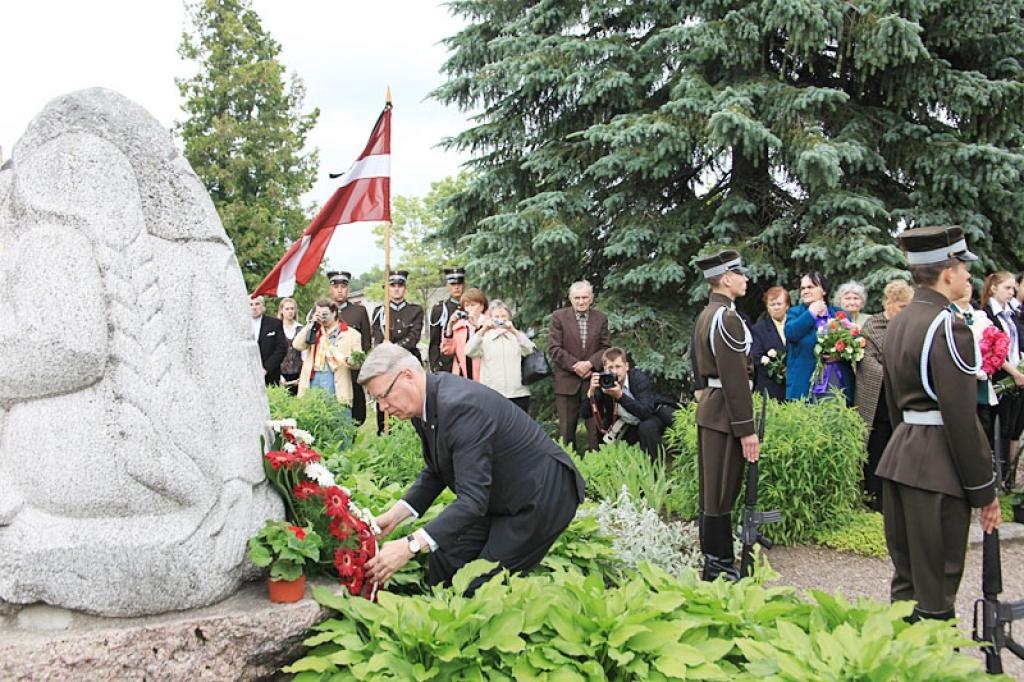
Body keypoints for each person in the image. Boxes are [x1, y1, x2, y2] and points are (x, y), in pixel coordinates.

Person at [360, 343, 586, 591]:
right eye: (376, 401)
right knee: (446, 556)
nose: (383, 408)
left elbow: (472, 500)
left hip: (540, 496)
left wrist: (411, 545)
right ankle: (443, 620)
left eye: (383, 396)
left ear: (407, 376)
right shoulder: (424, 402)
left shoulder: (460, 407)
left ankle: (491, 626)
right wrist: (396, 515)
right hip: (497, 492)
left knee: (481, 584)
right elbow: (438, 469)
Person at [877, 225, 1000, 622]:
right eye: (963, 266)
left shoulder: (899, 322)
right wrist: (984, 490)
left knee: (907, 582)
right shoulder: (949, 326)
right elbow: (961, 419)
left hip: (901, 455)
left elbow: (896, 404)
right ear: (947, 272)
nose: (968, 275)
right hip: (937, 467)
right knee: (936, 591)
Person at [691, 250, 760, 582]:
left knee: (714, 487)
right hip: (724, 412)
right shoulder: (726, 317)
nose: (746, 279)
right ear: (726, 278)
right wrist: (746, 430)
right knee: (720, 489)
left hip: (714, 407)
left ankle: (715, 558)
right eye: (741, 274)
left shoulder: (709, 313)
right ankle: (717, 564)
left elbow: (697, 364)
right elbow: (734, 378)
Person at [854, 280, 914, 511]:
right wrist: (892, 369)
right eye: (901, 307)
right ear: (889, 303)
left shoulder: (909, 327)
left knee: (898, 446)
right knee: (876, 447)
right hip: (877, 400)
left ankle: (895, 495)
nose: (904, 312)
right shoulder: (873, 324)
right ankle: (874, 495)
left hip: (901, 398)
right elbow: (867, 362)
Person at [548, 280, 611, 451]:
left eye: (585, 297)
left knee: (595, 431)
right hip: (567, 383)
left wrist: (590, 364)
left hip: (593, 382)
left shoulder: (601, 319)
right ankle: (568, 469)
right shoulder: (558, 317)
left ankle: (596, 467)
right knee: (566, 432)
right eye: (577, 298)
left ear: (591, 298)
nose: (581, 301)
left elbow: (606, 347)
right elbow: (554, 349)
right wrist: (576, 365)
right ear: (570, 299)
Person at [587, 347, 676, 461]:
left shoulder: (639, 378)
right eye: (610, 368)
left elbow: (645, 412)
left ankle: (656, 469)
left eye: (618, 367)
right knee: (614, 444)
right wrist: (591, 392)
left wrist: (619, 396)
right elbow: (586, 413)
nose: (614, 372)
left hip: (651, 416)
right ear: (604, 369)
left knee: (646, 428)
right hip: (627, 423)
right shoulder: (604, 381)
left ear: (626, 366)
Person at [784, 272, 854, 404]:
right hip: (805, 386)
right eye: (803, 288)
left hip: (836, 383)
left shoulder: (840, 315)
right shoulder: (795, 313)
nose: (805, 291)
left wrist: (839, 355)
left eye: (810, 287)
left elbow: (852, 346)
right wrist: (811, 313)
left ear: (824, 290)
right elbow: (791, 334)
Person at [982, 271, 1024, 486]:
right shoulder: (986, 314)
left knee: (1011, 428)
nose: (1011, 292)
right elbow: (990, 350)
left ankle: (1006, 478)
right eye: (1007, 288)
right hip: (1000, 377)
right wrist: (1014, 372)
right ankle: (994, 476)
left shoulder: (1012, 313)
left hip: (1016, 377)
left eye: (1013, 289)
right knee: (997, 427)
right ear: (994, 288)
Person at [372, 270, 425, 433]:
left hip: (409, 364)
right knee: (386, 403)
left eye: (400, 286)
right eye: (392, 285)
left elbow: (413, 337)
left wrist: (393, 348)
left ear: (405, 289)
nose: (396, 289)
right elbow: (378, 338)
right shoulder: (380, 312)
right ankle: (386, 435)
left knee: (414, 403)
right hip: (386, 366)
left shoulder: (415, 310)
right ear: (387, 289)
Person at [950, 279, 999, 452]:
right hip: (960, 381)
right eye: (963, 284)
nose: (966, 288)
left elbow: (996, 342)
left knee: (984, 429)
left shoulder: (979, 315)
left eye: (969, 285)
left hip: (982, 380)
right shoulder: (947, 314)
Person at [465, 299, 536, 412]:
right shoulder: (485, 338)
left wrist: (514, 331)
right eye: (496, 317)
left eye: (504, 316)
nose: (500, 320)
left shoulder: (516, 337)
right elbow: (469, 351)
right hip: (492, 393)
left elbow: (530, 350)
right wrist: (483, 330)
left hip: (518, 393)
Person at [292, 300, 363, 411]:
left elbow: (359, 362)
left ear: (334, 313)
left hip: (336, 382)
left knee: (339, 421)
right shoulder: (314, 331)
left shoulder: (352, 334)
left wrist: (348, 360)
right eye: (318, 313)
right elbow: (297, 345)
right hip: (314, 380)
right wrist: (311, 324)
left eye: (324, 314)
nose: (321, 317)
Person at [328, 270, 372, 424]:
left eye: (343, 286)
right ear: (330, 289)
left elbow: (366, 342)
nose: (340, 290)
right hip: (329, 372)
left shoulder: (358, 311)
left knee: (356, 415)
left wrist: (355, 361)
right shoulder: (323, 311)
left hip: (351, 372)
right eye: (336, 286)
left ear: (348, 289)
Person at [749, 286, 788, 401]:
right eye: (772, 304)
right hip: (771, 388)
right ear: (767, 307)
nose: (776, 307)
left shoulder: (795, 325)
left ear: (787, 306)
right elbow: (756, 356)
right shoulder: (758, 329)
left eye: (779, 304)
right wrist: (779, 370)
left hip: (795, 386)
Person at [441, 287, 488, 380]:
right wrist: (450, 326)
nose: (469, 309)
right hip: (462, 374)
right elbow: (447, 351)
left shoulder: (488, 325)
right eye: (467, 306)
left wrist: (477, 327)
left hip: (484, 375)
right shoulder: (459, 327)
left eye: (473, 305)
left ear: (482, 306)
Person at [428, 267, 466, 373]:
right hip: (446, 364)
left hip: (467, 363)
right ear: (448, 286)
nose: (457, 287)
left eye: (459, 284)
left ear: (464, 285)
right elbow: (434, 342)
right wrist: (436, 366)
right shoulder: (440, 309)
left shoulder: (471, 307)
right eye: (453, 284)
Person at [250, 295, 287, 386]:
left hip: (270, 375)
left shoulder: (275, 323)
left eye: (257, 304)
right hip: (248, 374)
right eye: (251, 304)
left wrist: (266, 368)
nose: (254, 307)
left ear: (263, 306)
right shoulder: (240, 325)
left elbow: (281, 348)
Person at [278, 297, 305, 395]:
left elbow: (305, 355)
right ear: (282, 311)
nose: (290, 311)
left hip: (298, 374)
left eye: (292, 309)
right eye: (287, 309)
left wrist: (303, 376)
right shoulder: (277, 329)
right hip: (281, 374)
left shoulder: (301, 329)